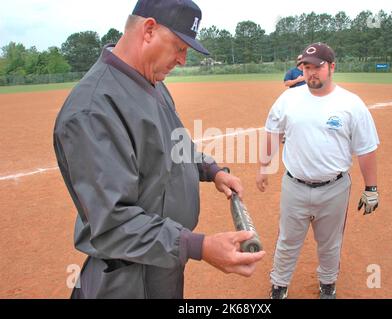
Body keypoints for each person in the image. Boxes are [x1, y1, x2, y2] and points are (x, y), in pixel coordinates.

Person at [53, 0, 265, 299]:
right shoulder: (92, 110)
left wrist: (211, 171)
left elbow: (175, 144)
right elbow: (113, 224)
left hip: (161, 262)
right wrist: (197, 246)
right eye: (179, 47)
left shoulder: (151, 82)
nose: (182, 60)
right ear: (149, 30)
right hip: (126, 278)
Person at [256, 42, 380, 299]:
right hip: (295, 186)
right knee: (287, 241)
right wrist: (264, 167)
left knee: (330, 243)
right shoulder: (288, 99)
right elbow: (272, 132)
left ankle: (327, 284)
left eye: (317, 67)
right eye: (306, 67)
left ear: (331, 67)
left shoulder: (351, 104)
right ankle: (279, 284)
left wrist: (371, 188)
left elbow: (366, 148)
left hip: (334, 188)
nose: (311, 72)